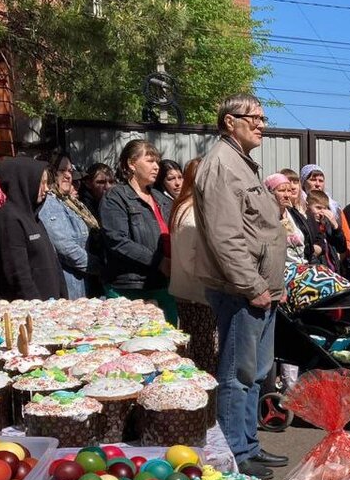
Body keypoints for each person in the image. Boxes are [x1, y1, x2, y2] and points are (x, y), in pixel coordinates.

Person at [193, 94, 288, 477]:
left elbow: (258, 230)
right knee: (237, 374)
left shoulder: (242, 164)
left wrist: (271, 285)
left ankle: (249, 444)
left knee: (256, 373)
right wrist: (252, 285)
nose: (262, 125)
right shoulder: (221, 164)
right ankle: (234, 452)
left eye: (264, 118)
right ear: (230, 121)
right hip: (242, 291)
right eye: (255, 118)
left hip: (261, 290)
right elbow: (225, 236)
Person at [100, 138, 177, 322]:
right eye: (150, 161)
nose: (156, 166)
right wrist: (158, 261)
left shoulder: (162, 199)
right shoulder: (116, 197)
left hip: (163, 284)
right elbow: (117, 241)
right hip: (131, 288)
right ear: (131, 164)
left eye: (157, 161)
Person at [0, 156, 67, 301]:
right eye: (42, 183)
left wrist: (62, 297)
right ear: (25, 183)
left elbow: (52, 263)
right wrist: (36, 307)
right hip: (28, 310)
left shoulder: (33, 218)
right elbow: (18, 274)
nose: (47, 189)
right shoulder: (9, 219)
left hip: (49, 307)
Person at [168, 158, 218, 373]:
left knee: (201, 352)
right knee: (202, 356)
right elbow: (191, 261)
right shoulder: (191, 213)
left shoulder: (194, 207)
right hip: (196, 296)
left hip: (197, 295)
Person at [40, 150, 103, 298]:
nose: (68, 176)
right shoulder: (49, 204)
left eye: (69, 170)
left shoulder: (69, 202)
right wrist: (100, 266)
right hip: (71, 285)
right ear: (50, 173)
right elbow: (65, 248)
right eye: (62, 171)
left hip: (84, 282)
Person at [304, 190, 347, 272]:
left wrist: (335, 226)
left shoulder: (327, 226)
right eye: (318, 208)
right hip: (318, 271)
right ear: (307, 206)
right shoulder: (306, 226)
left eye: (325, 209)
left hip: (333, 270)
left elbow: (342, 248)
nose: (322, 212)